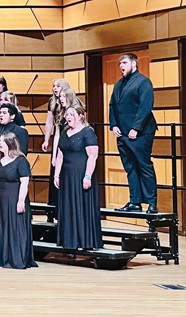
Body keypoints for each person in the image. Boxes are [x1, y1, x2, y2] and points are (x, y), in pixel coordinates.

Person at [110, 53, 159, 213]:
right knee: (130, 167)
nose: (121, 66)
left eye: (124, 63)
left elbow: (145, 106)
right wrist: (113, 125)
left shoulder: (143, 81)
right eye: (120, 64)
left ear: (134, 64)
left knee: (144, 165)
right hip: (122, 133)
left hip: (141, 133)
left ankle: (152, 203)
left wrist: (136, 128)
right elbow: (112, 106)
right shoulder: (119, 83)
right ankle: (135, 201)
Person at [56, 105, 102, 249]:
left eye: (71, 114)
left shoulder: (87, 132)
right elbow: (60, 155)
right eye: (67, 114)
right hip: (66, 176)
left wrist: (87, 176)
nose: (68, 117)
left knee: (80, 206)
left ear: (81, 116)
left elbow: (92, 156)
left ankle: (83, 241)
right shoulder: (65, 132)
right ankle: (69, 241)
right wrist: (57, 174)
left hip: (81, 174)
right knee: (68, 206)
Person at [0, 133, 36, 269]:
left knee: (15, 227)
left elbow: (24, 182)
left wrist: (21, 201)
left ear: (11, 143)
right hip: (1, 200)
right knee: (1, 227)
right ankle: (1, 258)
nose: (0, 143)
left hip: (15, 197)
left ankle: (16, 258)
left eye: (3, 141)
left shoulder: (21, 161)